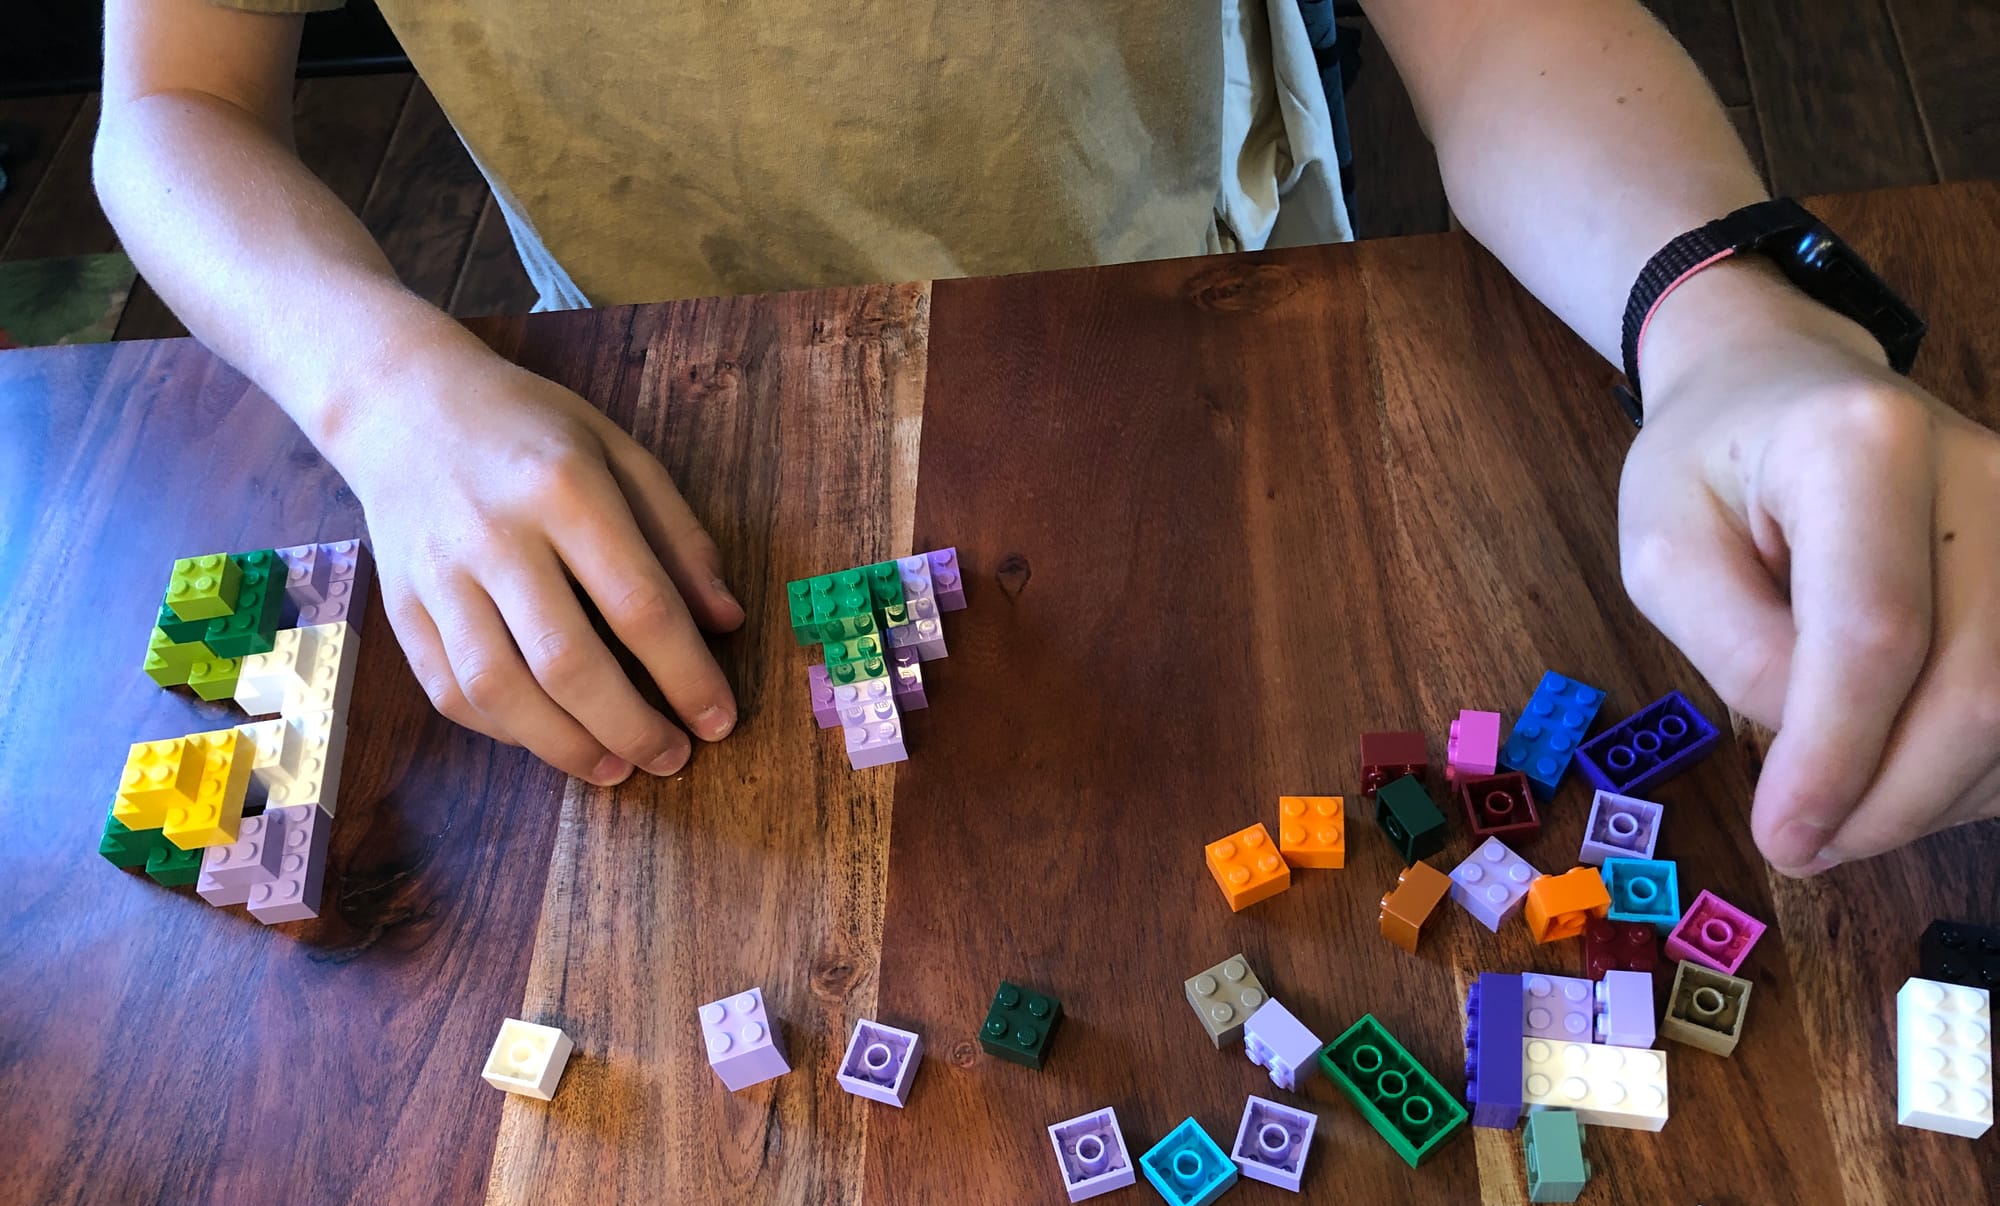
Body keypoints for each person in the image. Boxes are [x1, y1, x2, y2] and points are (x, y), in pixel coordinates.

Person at [93, 0, 1997, 878]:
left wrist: (1725, 313)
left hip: (1218, 321)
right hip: (663, 402)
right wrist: (383, 391)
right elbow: (169, 102)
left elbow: (1491, 21)